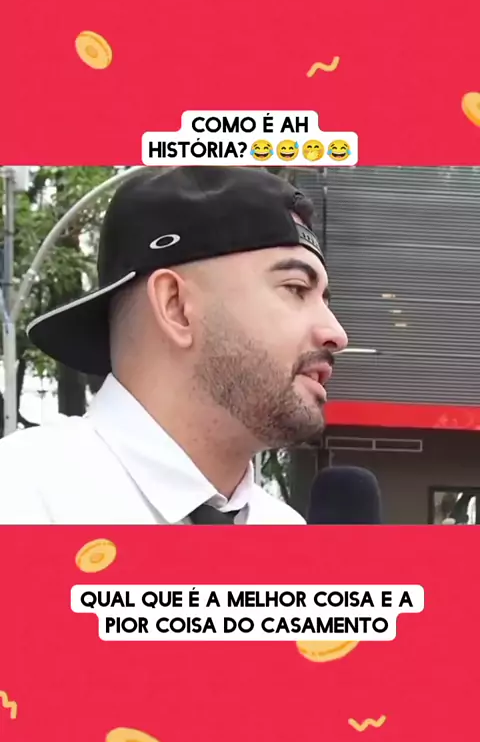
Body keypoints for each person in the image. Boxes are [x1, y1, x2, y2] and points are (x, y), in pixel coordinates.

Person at [0, 167, 348, 524]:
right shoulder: (18, 499)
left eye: (325, 300)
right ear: (175, 306)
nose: (336, 333)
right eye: (295, 289)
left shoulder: (286, 530)